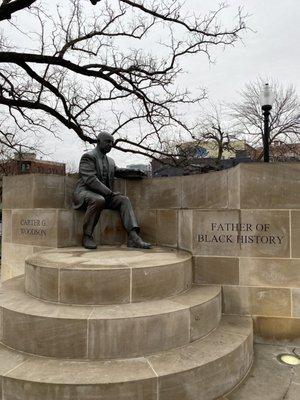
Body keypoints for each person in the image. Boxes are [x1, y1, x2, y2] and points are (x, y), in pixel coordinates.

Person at [73, 132, 151, 250]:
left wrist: (135, 172)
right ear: (98, 142)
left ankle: (133, 237)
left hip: (104, 195)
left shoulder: (110, 161)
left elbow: (118, 172)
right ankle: (87, 236)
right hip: (85, 193)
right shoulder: (88, 157)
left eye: (112, 143)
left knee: (124, 200)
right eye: (108, 142)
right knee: (98, 199)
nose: (111, 145)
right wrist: (109, 193)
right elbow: (90, 179)